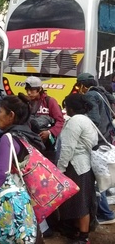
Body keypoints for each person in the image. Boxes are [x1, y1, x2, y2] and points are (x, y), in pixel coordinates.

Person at [0, 93, 44, 244]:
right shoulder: (27, 135)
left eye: (0, 112)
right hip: (25, 198)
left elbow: (1, 173)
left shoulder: (8, 138)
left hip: (10, 203)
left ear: (11, 115)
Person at [25, 76, 65, 237]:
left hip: (48, 150)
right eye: (27, 90)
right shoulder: (26, 102)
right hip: (32, 150)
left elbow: (60, 121)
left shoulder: (50, 102)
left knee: (48, 186)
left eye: (32, 90)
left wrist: (50, 132)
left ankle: (53, 222)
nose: (29, 93)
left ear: (39, 90)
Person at [57, 93, 98, 244]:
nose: (65, 108)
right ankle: (78, 231)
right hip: (86, 166)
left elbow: (67, 149)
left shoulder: (75, 121)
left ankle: (83, 236)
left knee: (80, 203)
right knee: (82, 200)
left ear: (71, 108)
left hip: (77, 167)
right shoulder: (87, 120)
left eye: (66, 106)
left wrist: (59, 169)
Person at [76, 72, 115, 225]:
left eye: (80, 86)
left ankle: (105, 214)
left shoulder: (90, 95)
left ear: (84, 85)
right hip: (107, 135)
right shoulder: (102, 92)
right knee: (101, 176)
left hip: (97, 141)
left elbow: (94, 120)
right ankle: (105, 211)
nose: (79, 89)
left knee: (96, 179)